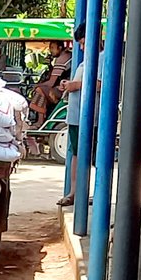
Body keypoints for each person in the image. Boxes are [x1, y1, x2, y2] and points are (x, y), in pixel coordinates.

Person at [57, 25, 87, 207]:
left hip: (89, 117)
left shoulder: (103, 59)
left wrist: (75, 85)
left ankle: (79, 192)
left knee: (84, 155)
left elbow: (102, 84)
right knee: (76, 154)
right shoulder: (85, 62)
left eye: (83, 43)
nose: (82, 48)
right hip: (77, 116)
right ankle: (75, 192)